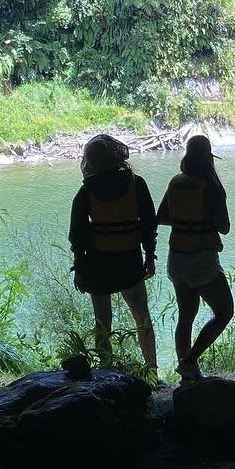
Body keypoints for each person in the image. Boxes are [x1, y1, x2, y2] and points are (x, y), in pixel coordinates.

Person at [69, 133, 159, 373]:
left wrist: (79, 268)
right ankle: (151, 371)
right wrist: (149, 256)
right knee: (142, 318)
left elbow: (77, 236)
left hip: (98, 263)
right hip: (129, 260)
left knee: (102, 323)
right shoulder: (136, 184)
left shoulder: (85, 192)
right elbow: (149, 223)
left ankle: (106, 372)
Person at [157, 134, 233, 384]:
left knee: (185, 316)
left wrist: (184, 220)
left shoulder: (176, 181)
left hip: (177, 258)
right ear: (209, 158)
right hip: (201, 260)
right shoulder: (211, 186)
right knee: (224, 312)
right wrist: (203, 222)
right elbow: (225, 227)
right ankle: (189, 362)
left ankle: (186, 373)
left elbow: (161, 217)